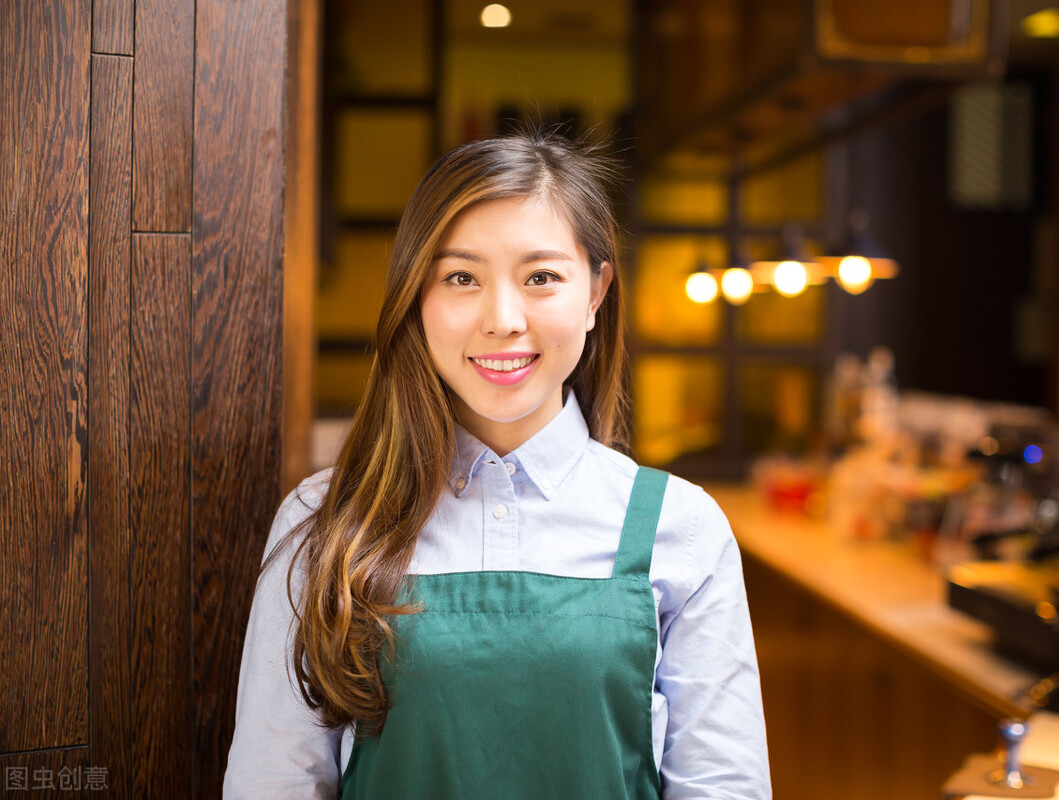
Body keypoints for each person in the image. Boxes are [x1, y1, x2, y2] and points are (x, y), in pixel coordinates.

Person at [223, 130, 771, 799]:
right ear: (415, 297)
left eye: (541, 278)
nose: (503, 318)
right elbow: (273, 782)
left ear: (597, 292)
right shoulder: (325, 520)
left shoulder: (680, 527)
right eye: (461, 278)